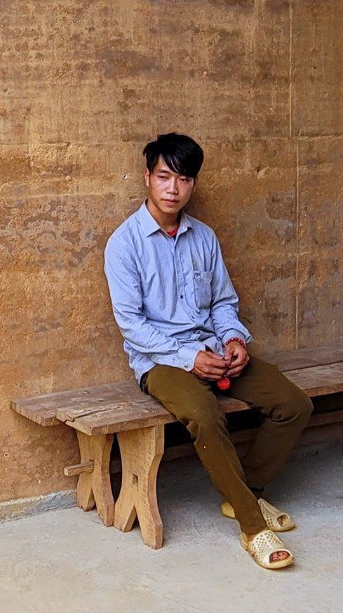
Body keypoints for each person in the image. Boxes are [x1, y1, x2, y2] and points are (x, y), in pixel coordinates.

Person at [103, 132, 313, 571]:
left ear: (193, 184)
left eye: (183, 179)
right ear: (147, 178)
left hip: (214, 351)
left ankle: (243, 493)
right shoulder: (124, 244)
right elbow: (133, 326)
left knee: (294, 403)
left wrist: (235, 340)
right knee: (205, 414)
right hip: (160, 361)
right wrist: (188, 359)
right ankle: (254, 526)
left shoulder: (205, 238)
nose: (172, 188)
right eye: (164, 177)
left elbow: (222, 303)